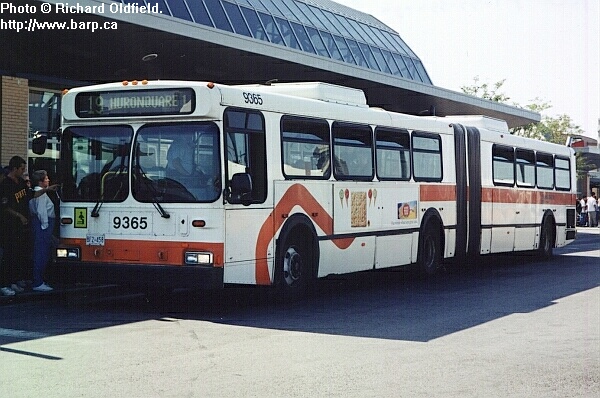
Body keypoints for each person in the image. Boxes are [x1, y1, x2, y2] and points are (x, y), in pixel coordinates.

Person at [0, 156, 57, 295]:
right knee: (8, 254)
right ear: (14, 168)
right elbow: (5, 207)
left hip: (21, 226)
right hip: (9, 225)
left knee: (18, 253)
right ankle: (4, 284)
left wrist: (46, 190)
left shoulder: (20, 183)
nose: (23, 171)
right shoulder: (5, 184)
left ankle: (14, 281)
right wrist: (19, 216)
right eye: (21, 169)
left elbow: (31, 195)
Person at [29, 170, 56, 292]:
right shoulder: (40, 195)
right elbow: (42, 212)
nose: (48, 180)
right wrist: (45, 226)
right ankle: (38, 282)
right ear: (40, 181)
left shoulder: (36, 192)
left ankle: (39, 279)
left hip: (40, 224)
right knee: (41, 252)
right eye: (46, 179)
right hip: (43, 224)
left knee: (41, 251)